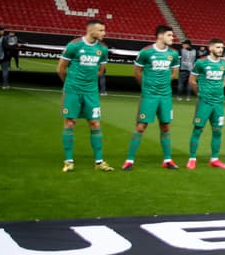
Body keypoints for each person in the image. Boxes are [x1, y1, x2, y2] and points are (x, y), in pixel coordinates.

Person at [57, 19, 113, 172]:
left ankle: (99, 162)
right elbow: (61, 69)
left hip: (91, 93)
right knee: (69, 123)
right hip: (73, 91)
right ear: (91, 30)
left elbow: (101, 71)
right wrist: (70, 85)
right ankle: (68, 161)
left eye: (104, 30)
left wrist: (89, 83)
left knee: (95, 124)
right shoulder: (74, 45)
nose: (104, 33)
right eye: (101, 30)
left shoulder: (103, 49)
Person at [122, 24, 180, 171]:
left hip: (165, 96)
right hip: (149, 96)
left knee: (165, 126)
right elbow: (137, 72)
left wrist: (164, 84)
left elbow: (174, 73)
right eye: (169, 35)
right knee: (141, 127)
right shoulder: (146, 52)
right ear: (160, 36)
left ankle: (167, 160)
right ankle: (129, 160)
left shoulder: (173, 54)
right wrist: (147, 87)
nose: (172, 38)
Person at [186, 39, 225, 170]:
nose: (221, 49)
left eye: (222, 47)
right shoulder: (201, 63)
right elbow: (192, 80)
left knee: (217, 131)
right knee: (198, 129)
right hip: (204, 102)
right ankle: (192, 158)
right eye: (218, 47)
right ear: (210, 48)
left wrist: (220, 89)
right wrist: (200, 93)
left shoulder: (224, 64)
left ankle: (215, 159)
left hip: (218, 103)